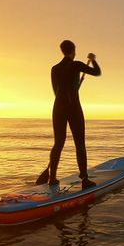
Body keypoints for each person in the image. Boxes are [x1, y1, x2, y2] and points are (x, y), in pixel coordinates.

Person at [48, 39, 101, 189]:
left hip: (58, 107)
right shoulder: (76, 64)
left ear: (62, 51)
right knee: (80, 143)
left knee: (58, 143)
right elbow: (97, 72)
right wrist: (93, 60)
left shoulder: (54, 69)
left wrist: (66, 94)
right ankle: (84, 179)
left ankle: (52, 178)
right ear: (73, 51)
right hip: (73, 107)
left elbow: (56, 91)